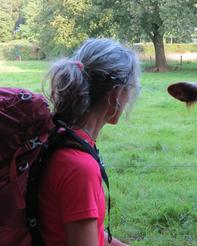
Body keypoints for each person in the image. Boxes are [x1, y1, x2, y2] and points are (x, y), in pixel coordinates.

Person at [38, 38, 140, 246]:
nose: (130, 98)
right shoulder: (79, 167)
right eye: (130, 89)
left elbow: (88, 233)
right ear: (116, 94)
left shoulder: (63, 137)